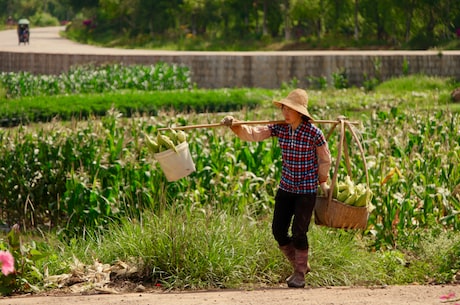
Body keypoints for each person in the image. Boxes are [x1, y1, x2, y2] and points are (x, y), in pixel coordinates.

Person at [221, 89, 331, 288]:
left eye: (290, 109)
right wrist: (235, 124)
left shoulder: (313, 132)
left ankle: (299, 273)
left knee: (299, 232)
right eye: (284, 108)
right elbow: (253, 134)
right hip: (287, 186)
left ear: (300, 112)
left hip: (306, 189)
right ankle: (301, 264)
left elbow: (325, 159)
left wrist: (323, 180)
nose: (285, 113)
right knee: (278, 230)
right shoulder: (280, 129)